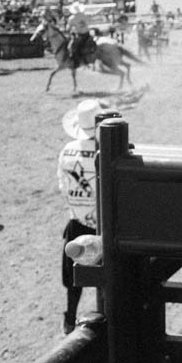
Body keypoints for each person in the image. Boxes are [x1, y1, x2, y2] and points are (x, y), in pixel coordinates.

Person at [57, 99, 117, 333]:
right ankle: (110, 320)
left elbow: (62, 185)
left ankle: (70, 319)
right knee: (110, 274)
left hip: (77, 223)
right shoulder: (106, 151)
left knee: (74, 276)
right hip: (104, 224)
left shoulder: (67, 150)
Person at [66, 0, 94, 67]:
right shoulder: (84, 15)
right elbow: (88, 23)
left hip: (80, 35)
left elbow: (68, 28)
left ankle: (76, 62)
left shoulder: (72, 18)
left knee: (71, 47)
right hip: (88, 34)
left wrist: (71, 30)